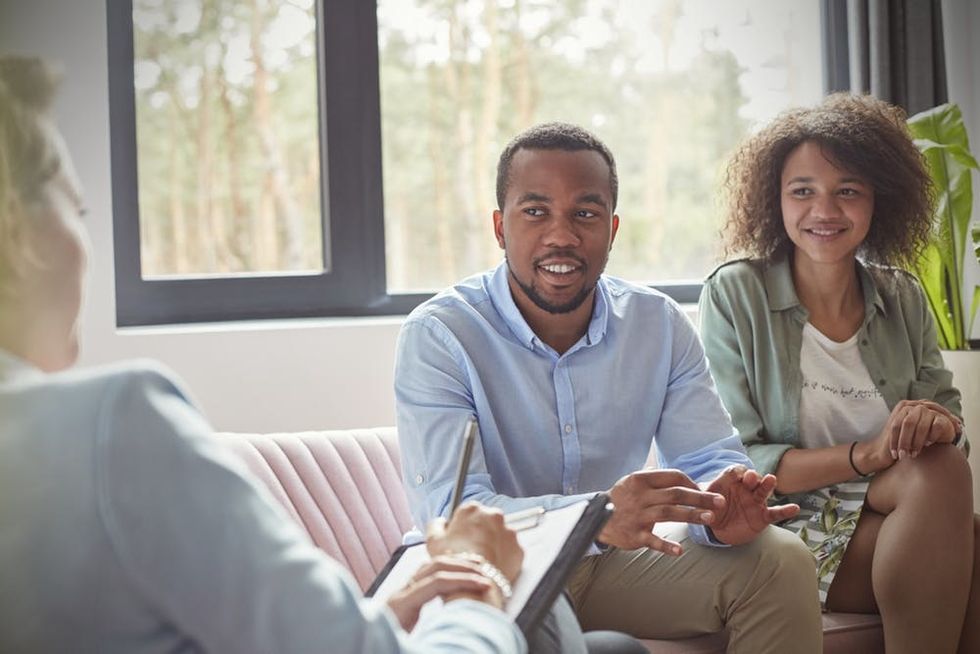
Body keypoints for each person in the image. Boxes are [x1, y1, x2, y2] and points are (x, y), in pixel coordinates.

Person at [0, 55, 527, 654]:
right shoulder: (113, 425)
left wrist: (371, 620)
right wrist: (479, 590)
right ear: (18, 229)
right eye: (77, 209)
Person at [394, 121, 823, 651]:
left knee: (781, 560)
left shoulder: (658, 323)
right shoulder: (440, 335)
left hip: (611, 564)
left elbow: (708, 458)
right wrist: (595, 518)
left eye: (585, 214)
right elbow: (452, 514)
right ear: (500, 228)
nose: (562, 236)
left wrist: (717, 509)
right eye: (536, 212)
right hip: (494, 575)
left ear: (612, 229)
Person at [698, 92, 980, 654]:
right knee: (971, 539)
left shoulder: (902, 295)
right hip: (782, 520)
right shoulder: (735, 294)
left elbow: (951, 430)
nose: (824, 211)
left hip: (894, 501)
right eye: (802, 191)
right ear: (775, 200)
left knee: (943, 468)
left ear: (879, 200)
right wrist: (865, 455)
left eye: (847, 190)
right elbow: (739, 458)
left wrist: (936, 423)